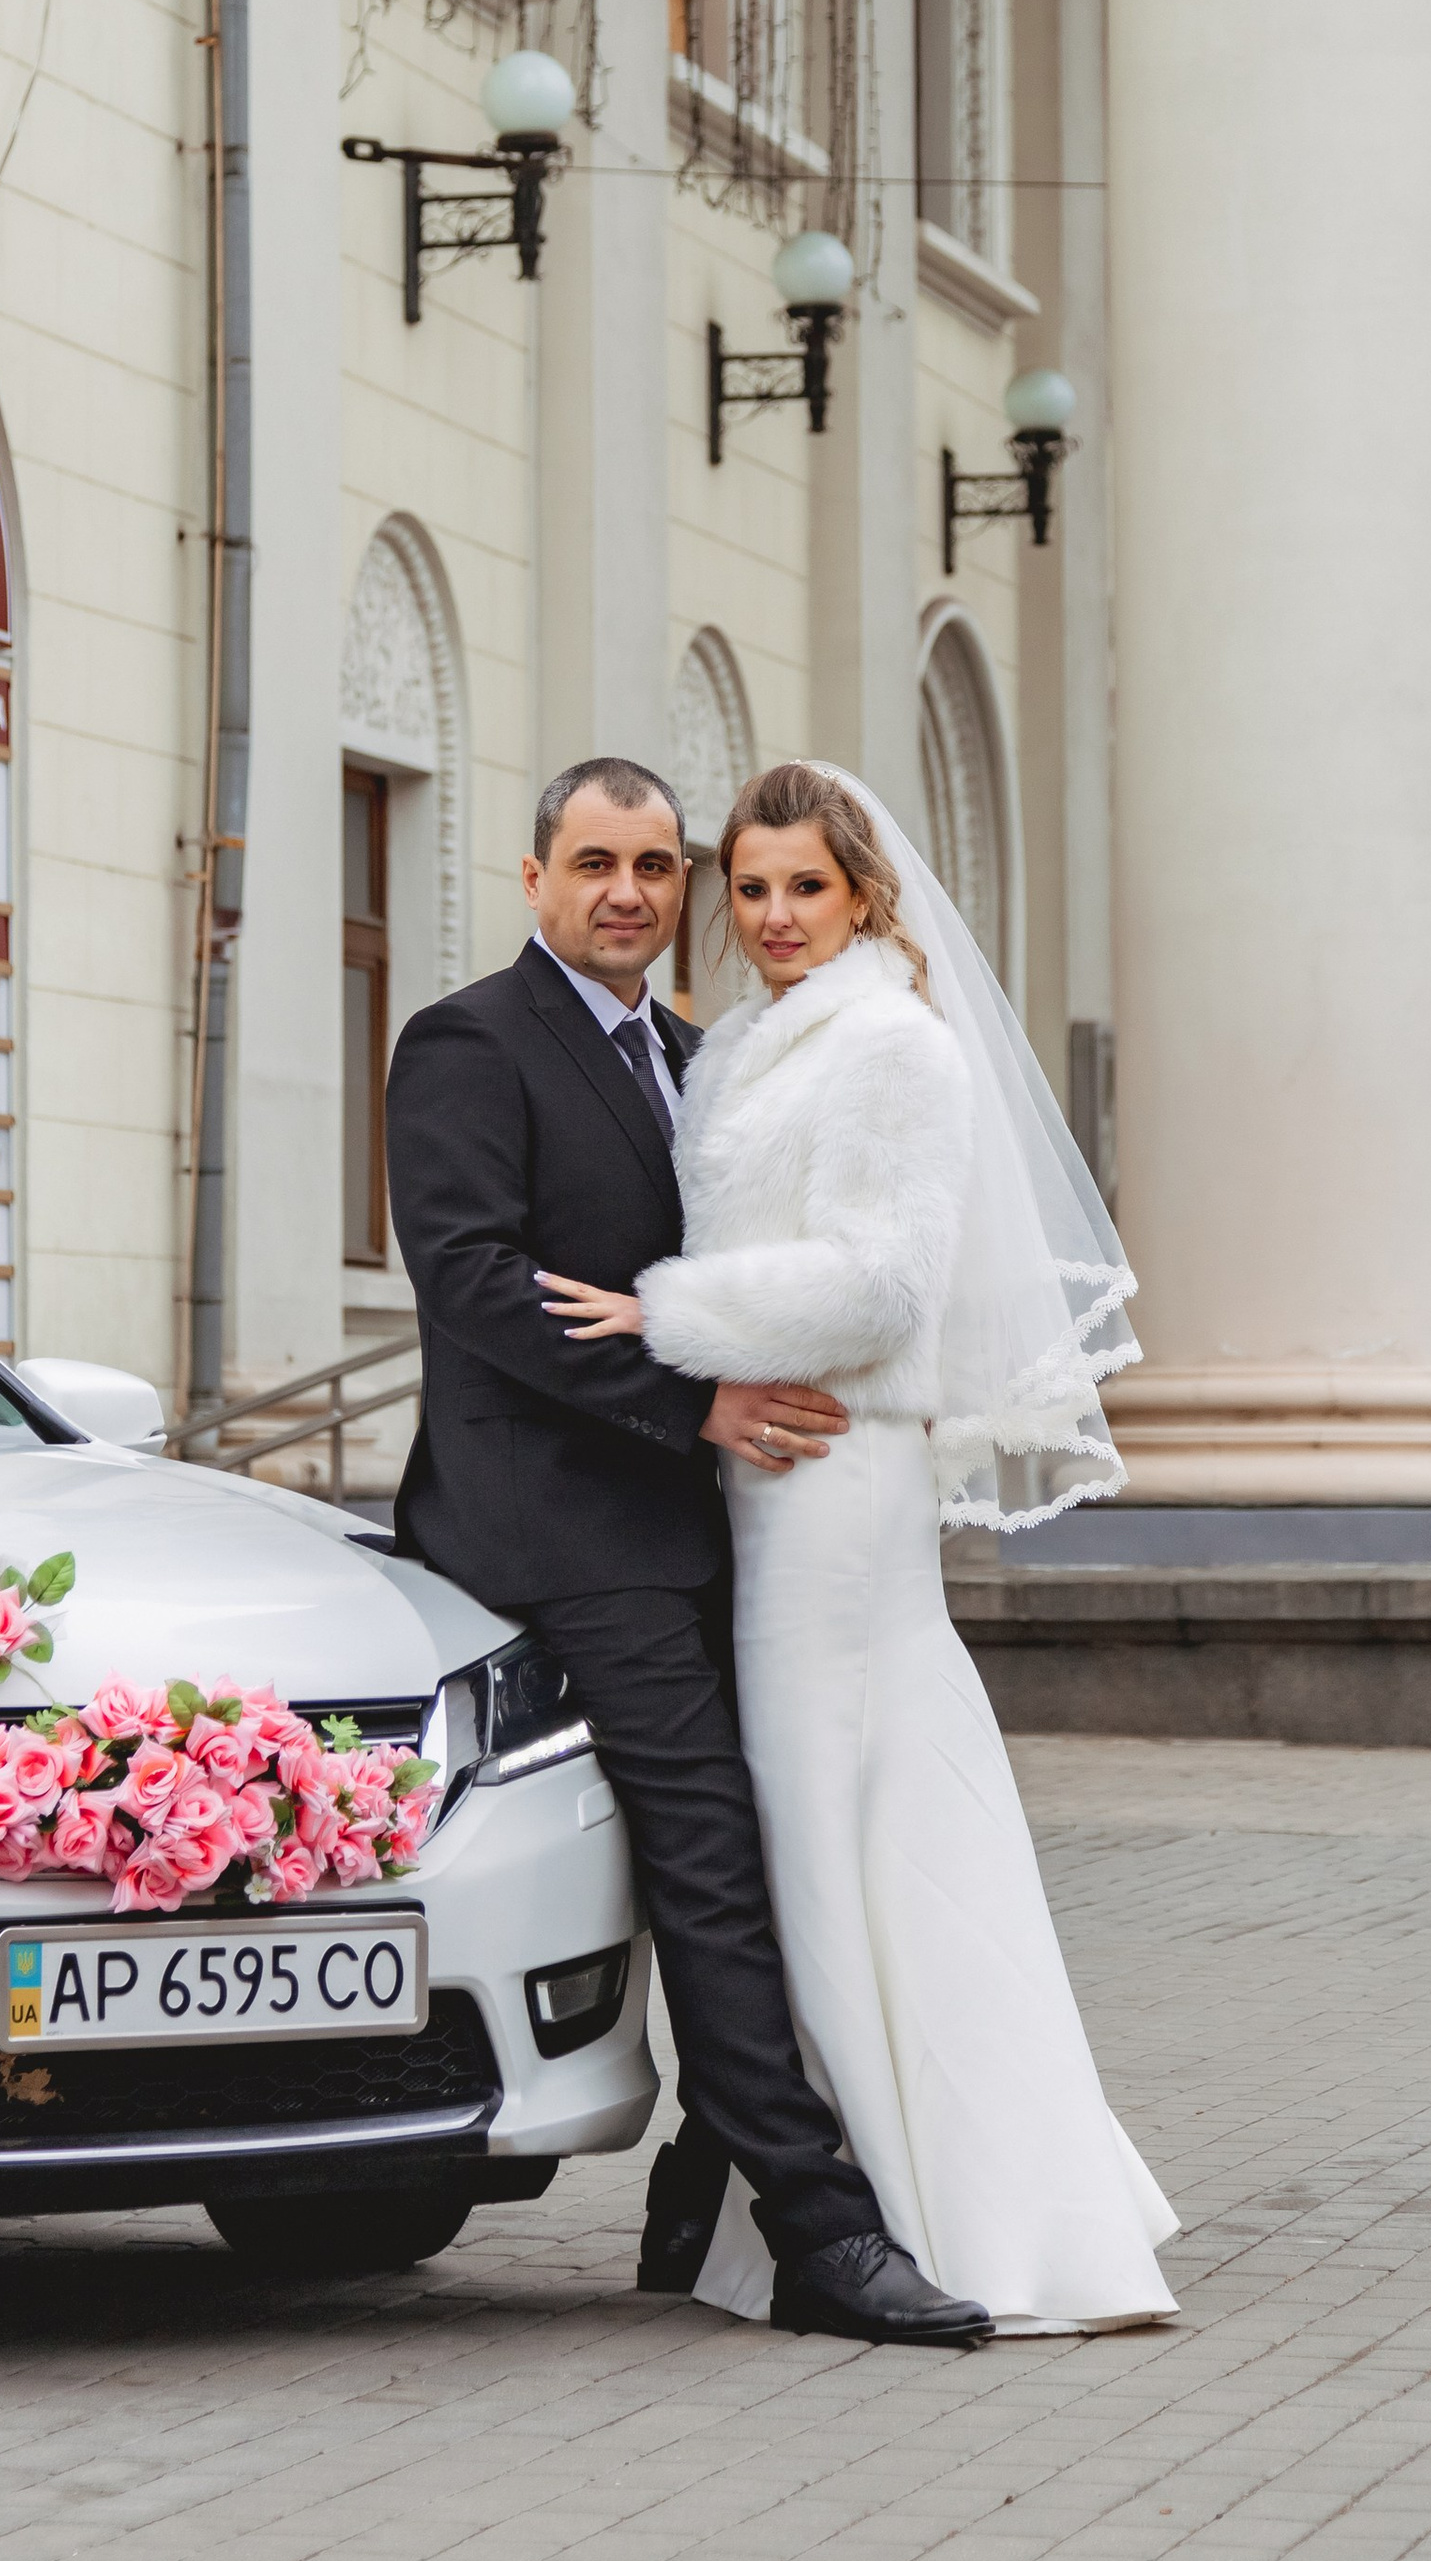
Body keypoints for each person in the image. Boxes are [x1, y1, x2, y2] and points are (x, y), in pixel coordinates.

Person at [540, 760, 1179, 2336]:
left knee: (830, 1825)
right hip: (762, 1475)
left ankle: (938, 2205)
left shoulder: (892, 1042)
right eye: (747, 886)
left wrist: (666, 1321)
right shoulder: (752, 1036)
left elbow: (884, 1285)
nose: (768, 916)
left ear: (866, 892)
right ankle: (826, 2193)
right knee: (822, 1830)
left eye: (801, 888)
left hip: (833, 1476)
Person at [388, 754, 994, 2346]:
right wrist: (694, 1399)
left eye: (658, 867)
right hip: (564, 1522)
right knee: (717, 1858)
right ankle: (818, 2230)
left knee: (778, 1839)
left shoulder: (698, 1052)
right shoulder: (466, 1040)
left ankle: (703, 2173)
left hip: (717, 1516)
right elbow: (469, 1281)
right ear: (533, 877)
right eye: (595, 861)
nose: (628, 893)